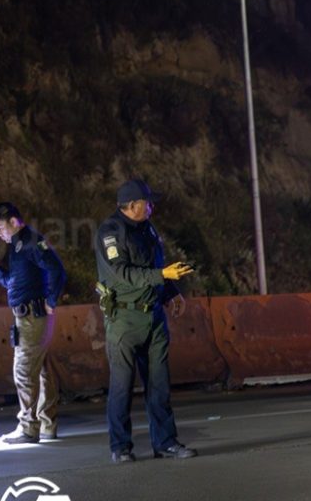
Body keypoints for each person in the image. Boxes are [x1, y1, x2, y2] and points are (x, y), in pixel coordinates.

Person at [94, 179, 197, 463]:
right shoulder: (110, 232)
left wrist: (171, 291)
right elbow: (122, 273)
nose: (151, 207)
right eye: (147, 203)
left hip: (153, 315)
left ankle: (165, 442)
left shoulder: (147, 228)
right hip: (124, 319)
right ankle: (120, 447)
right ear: (132, 205)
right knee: (121, 386)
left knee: (160, 384)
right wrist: (162, 276)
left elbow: (155, 264)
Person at [0, 202, 67, 444]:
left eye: (0, 228)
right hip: (27, 315)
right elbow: (13, 282)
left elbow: (56, 269)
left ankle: (28, 427)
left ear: (13, 221)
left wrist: (52, 299)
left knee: (23, 371)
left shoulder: (30, 241)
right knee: (42, 371)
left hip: (33, 316)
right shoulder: (17, 247)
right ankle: (47, 425)